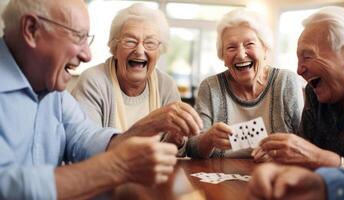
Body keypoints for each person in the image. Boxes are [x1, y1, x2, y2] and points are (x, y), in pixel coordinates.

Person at [0, 0, 202, 199]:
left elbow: (85, 138)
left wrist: (149, 126)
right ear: (31, 29)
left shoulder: (53, 92)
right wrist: (118, 166)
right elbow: (6, 186)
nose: (87, 55)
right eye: (78, 36)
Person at [253, 6, 344, 169]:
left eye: (307, 57)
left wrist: (319, 158)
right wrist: (282, 156)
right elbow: (302, 159)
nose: (299, 70)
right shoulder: (316, 90)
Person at [72, 4, 197, 155]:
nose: (139, 50)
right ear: (115, 47)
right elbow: (85, 150)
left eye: (150, 43)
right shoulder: (93, 81)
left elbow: (178, 152)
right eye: (130, 41)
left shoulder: (166, 86)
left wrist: (175, 140)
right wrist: (151, 124)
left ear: (159, 51)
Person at [186, 8, 304, 158]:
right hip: (219, 178)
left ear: (265, 49)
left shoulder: (286, 81)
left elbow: (305, 143)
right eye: (231, 47)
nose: (241, 55)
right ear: (222, 56)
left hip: (275, 176)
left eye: (249, 44)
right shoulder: (210, 87)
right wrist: (209, 138)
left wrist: (278, 155)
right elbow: (191, 149)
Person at [248, 127, 344, 200]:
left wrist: (320, 158)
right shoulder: (314, 92)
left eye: (307, 61)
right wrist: (322, 186)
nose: (299, 70)